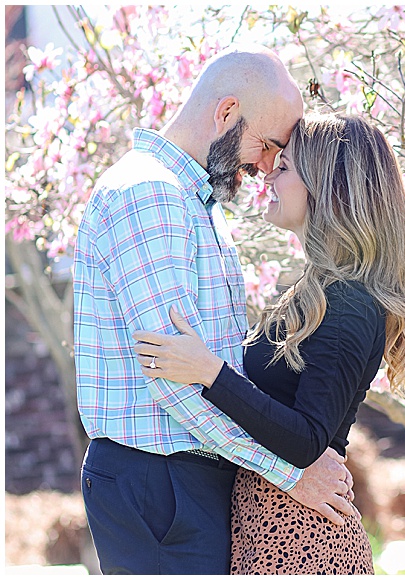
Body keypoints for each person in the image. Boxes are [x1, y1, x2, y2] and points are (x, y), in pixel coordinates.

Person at [72, 45, 355, 575]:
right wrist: (291, 471)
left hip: (186, 479)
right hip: (160, 484)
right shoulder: (150, 196)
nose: (269, 165)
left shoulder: (192, 201)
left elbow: (212, 362)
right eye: (267, 143)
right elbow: (175, 381)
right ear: (226, 113)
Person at [131, 113, 405, 574]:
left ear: (328, 189)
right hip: (270, 523)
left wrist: (210, 373)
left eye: (284, 167)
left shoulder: (348, 303)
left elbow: (308, 438)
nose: (268, 173)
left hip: (301, 536)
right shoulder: (316, 292)